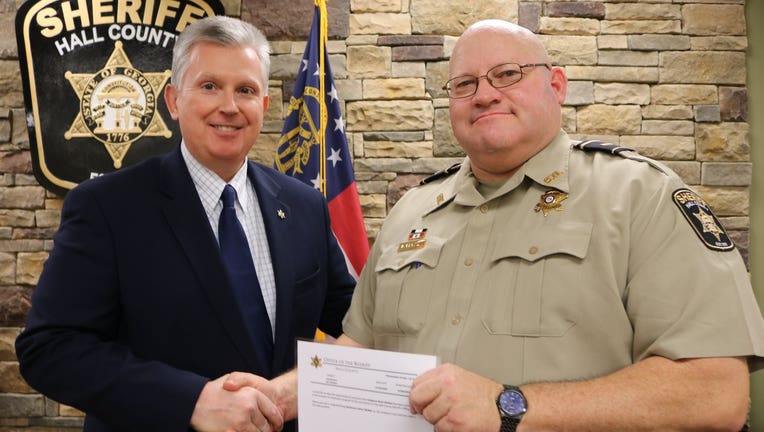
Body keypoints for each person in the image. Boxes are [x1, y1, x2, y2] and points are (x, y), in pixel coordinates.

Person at [227, 18, 764, 432]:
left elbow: (715, 393)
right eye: (465, 84)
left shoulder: (642, 197)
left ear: (557, 84)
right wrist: (278, 396)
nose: (484, 93)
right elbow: (364, 346)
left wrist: (510, 407)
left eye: (508, 74)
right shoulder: (412, 211)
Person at [15, 15, 355, 432]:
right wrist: (190, 401)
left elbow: (362, 322)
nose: (228, 106)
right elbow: (49, 349)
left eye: (245, 90)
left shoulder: (305, 206)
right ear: (174, 100)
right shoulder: (107, 207)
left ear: (264, 106)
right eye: (209, 86)